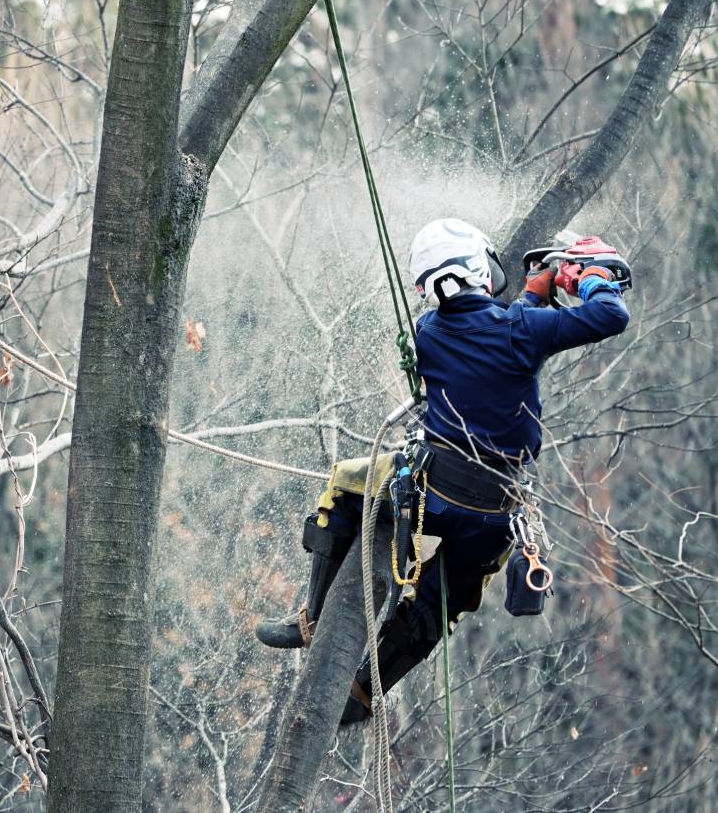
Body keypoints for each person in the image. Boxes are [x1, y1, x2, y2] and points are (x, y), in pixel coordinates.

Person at [253, 218, 630, 724]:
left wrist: (535, 295)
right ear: (480, 269)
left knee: (346, 482)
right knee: (440, 601)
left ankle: (312, 618)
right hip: (496, 510)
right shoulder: (523, 331)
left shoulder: (429, 332)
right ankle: (365, 692)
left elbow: (488, 334)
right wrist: (581, 278)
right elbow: (609, 315)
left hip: (434, 492)